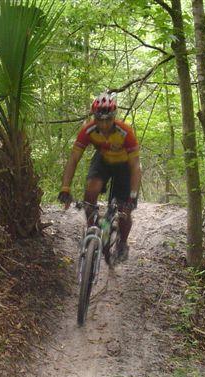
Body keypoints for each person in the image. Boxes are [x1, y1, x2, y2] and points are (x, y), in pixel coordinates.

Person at [58, 92, 141, 262]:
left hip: (124, 166)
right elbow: (73, 158)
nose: (103, 124)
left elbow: (135, 166)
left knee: (124, 210)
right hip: (102, 161)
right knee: (91, 190)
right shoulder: (88, 130)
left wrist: (132, 196)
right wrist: (65, 188)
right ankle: (92, 233)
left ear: (114, 117)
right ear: (94, 118)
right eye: (99, 120)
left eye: (108, 120)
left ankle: (122, 243)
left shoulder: (125, 132)